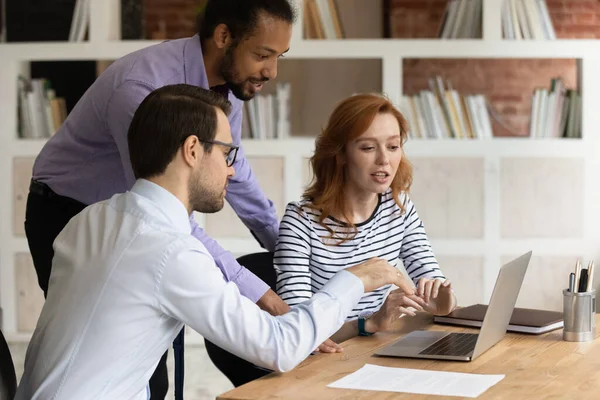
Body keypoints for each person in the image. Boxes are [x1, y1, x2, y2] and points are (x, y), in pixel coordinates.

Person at [14, 85, 414, 400]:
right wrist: (354, 279)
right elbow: (279, 346)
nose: (232, 170)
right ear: (192, 150)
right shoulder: (168, 251)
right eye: (227, 153)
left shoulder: (90, 219)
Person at [23, 0, 303, 397]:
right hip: (68, 210)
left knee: (154, 352)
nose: (271, 71)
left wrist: (286, 246)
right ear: (223, 36)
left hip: (132, 210)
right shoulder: (140, 90)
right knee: (125, 356)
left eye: (279, 56)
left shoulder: (226, 90)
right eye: (263, 54)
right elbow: (159, 209)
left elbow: (234, 174)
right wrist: (253, 288)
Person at [274, 93, 457, 343]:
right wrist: (369, 323)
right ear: (340, 154)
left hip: (370, 349)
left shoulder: (399, 208)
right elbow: (297, 331)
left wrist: (442, 298)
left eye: (393, 147)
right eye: (368, 147)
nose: (384, 159)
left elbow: (437, 293)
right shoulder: (300, 222)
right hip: (321, 361)